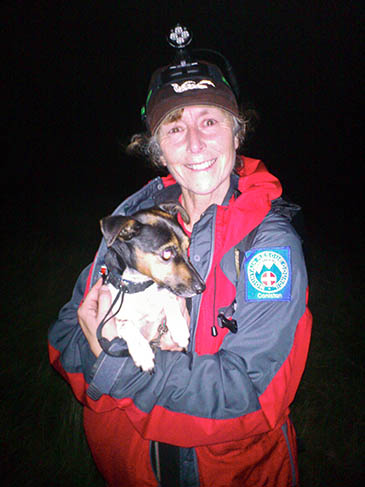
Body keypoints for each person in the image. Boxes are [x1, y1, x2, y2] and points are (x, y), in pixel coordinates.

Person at [49, 25, 312, 487]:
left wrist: (113, 358)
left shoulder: (268, 247)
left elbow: (250, 397)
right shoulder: (133, 226)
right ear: (157, 149)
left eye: (209, 121)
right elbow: (62, 339)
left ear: (237, 132)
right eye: (174, 127)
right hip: (127, 471)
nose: (194, 144)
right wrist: (97, 342)